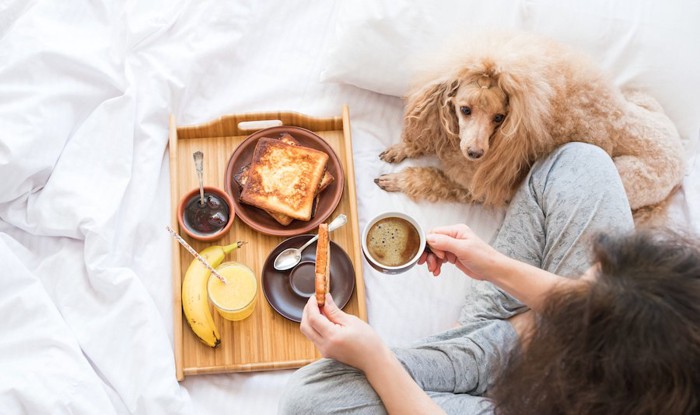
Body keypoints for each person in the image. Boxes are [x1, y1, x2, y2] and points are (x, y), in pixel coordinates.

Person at [278, 143, 700, 415]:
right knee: (581, 164)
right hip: (551, 341)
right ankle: (487, 335)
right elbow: (602, 302)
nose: (586, 274)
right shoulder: (680, 318)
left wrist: (375, 358)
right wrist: (493, 265)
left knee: (308, 398)